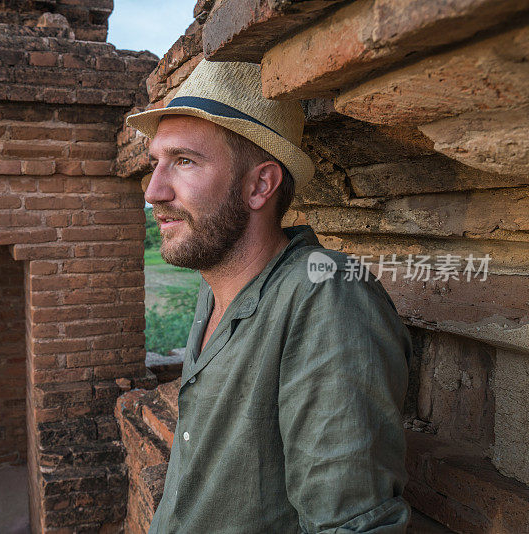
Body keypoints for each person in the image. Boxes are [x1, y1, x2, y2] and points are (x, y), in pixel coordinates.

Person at [126, 59, 412, 533]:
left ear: (260, 184)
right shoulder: (217, 284)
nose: (154, 191)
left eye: (184, 161)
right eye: (157, 162)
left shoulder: (324, 294)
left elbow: (350, 526)